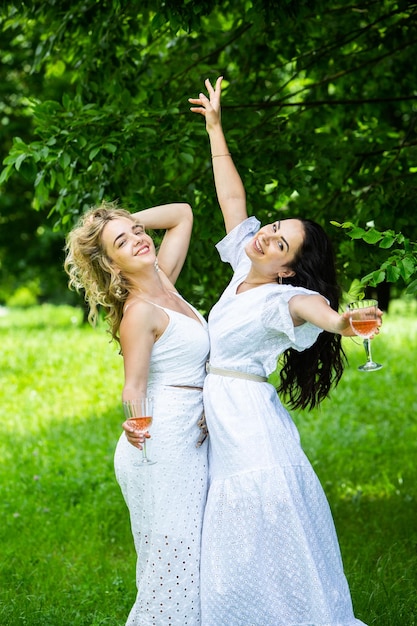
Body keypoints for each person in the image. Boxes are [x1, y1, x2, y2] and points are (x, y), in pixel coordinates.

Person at [189, 77, 381, 625]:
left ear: (288, 265)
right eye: (272, 228)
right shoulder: (239, 271)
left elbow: (324, 316)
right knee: (235, 526)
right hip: (225, 412)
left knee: (263, 516)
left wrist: (348, 323)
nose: (265, 237)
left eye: (279, 242)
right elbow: (231, 196)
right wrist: (215, 127)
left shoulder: (288, 296)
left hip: (250, 421)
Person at [64, 200, 209, 626]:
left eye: (139, 232)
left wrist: (113, 226)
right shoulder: (140, 310)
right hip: (159, 446)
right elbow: (134, 385)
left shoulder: (164, 282)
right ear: (111, 264)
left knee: (193, 557)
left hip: (190, 440)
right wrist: (134, 423)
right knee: (171, 565)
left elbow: (182, 213)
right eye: (122, 244)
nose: (140, 239)